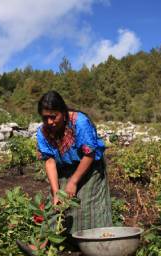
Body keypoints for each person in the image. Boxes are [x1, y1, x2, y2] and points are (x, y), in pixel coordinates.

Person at [36, 90, 112, 235]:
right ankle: (43, 243)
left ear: (63, 113)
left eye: (53, 117)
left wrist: (74, 182)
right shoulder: (43, 132)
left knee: (83, 205)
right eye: (45, 118)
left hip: (89, 166)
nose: (49, 122)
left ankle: (95, 239)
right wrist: (56, 190)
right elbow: (50, 161)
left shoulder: (80, 122)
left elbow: (89, 154)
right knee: (57, 203)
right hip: (65, 168)